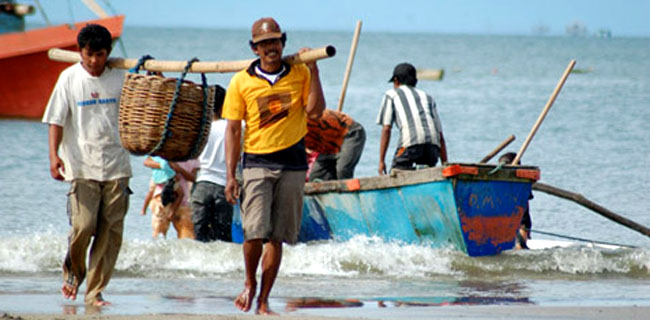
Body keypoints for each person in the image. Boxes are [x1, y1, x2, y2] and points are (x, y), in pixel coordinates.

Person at [222, 17, 325, 315]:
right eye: (264, 43)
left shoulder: (300, 72)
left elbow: (315, 112)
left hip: (293, 164)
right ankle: (249, 282)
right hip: (256, 163)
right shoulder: (241, 81)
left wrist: (314, 70)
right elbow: (232, 130)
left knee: (277, 237)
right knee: (254, 232)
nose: (271, 47)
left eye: (275, 41)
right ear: (254, 48)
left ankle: (264, 300)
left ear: (283, 43)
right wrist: (231, 175)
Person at [42, 24, 131, 307]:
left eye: (100, 54)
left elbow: (142, 104)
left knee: (110, 233)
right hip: (80, 166)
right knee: (83, 226)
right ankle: (73, 272)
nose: (94, 61)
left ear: (109, 53)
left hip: (117, 165)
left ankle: (95, 293)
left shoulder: (121, 78)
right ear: (80, 51)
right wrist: (54, 156)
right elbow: (55, 119)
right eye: (90, 54)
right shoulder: (69, 78)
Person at [377, 62, 448, 175]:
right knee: (427, 175)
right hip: (433, 147)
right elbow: (440, 136)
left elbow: (386, 129)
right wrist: (445, 165)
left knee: (397, 173)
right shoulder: (428, 97)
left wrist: (381, 161)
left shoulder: (391, 94)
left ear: (396, 81)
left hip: (410, 145)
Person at [191, 85, 234, 242]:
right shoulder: (233, 127)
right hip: (223, 186)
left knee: (200, 238)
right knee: (223, 238)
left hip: (201, 185)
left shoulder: (199, 128)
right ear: (225, 104)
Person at [141, 156, 198, 239]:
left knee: (187, 236)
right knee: (159, 234)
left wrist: (180, 170)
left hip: (184, 201)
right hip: (162, 198)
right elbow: (147, 162)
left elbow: (193, 178)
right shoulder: (165, 151)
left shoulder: (193, 157)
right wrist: (165, 165)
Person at [306, 109, 366, 181]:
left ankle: (346, 191)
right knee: (316, 176)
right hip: (327, 143)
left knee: (343, 170)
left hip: (348, 133)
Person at [498, 152, 533, 250]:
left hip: (521, 219)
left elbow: (525, 216)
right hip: (505, 220)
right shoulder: (498, 181)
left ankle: (521, 244)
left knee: (522, 223)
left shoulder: (522, 180)